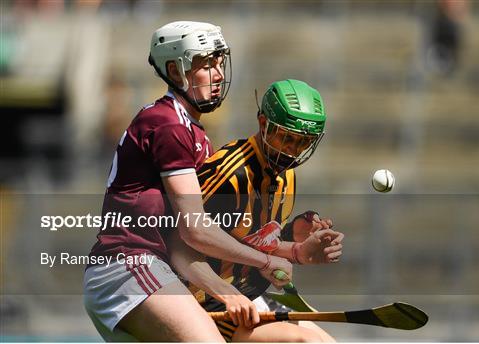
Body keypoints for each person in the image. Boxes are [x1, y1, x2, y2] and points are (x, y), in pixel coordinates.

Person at [83, 21, 292, 342]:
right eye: (206, 64)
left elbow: (184, 245)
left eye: (220, 62)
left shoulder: (196, 136)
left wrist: (234, 284)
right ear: (174, 70)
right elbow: (195, 229)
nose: (219, 74)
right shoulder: (168, 124)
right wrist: (262, 263)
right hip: (129, 264)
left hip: (160, 268)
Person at [176, 79, 344, 342]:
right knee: (306, 342)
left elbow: (247, 242)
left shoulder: (285, 176)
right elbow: (178, 242)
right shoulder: (230, 173)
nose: (293, 150)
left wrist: (299, 250)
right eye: (287, 138)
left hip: (249, 299)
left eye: (304, 141)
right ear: (263, 124)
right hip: (204, 307)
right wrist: (224, 293)